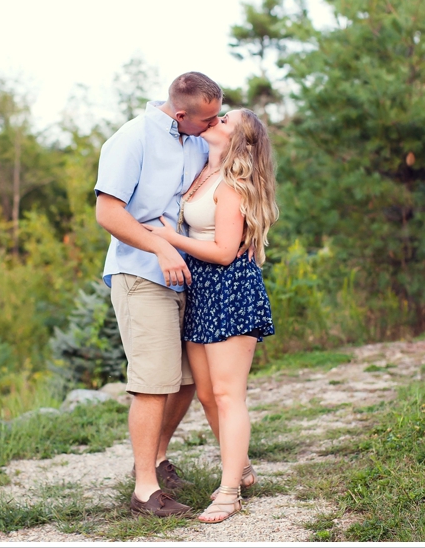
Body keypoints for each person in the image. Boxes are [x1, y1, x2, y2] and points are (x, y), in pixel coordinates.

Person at [94, 72, 223, 517]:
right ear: (181, 114)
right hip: (141, 273)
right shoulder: (131, 138)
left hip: (188, 275)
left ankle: (157, 459)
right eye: (207, 120)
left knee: (187, 379)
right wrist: (160, 245)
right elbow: (108, 212)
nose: (213, 126)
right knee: (153, 383)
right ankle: (145, 492)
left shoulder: (198, 138)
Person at [143, 107, 278, 523]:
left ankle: (229, 491)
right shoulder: (202, 169)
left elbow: (223, 250)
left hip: (230, 289)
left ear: (240, 140)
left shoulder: (233, 185)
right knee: (206, 393)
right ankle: (243, 465)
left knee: (226, 394)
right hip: (201, 289)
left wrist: (169, 237)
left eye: (224, 120)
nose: (214, 120)